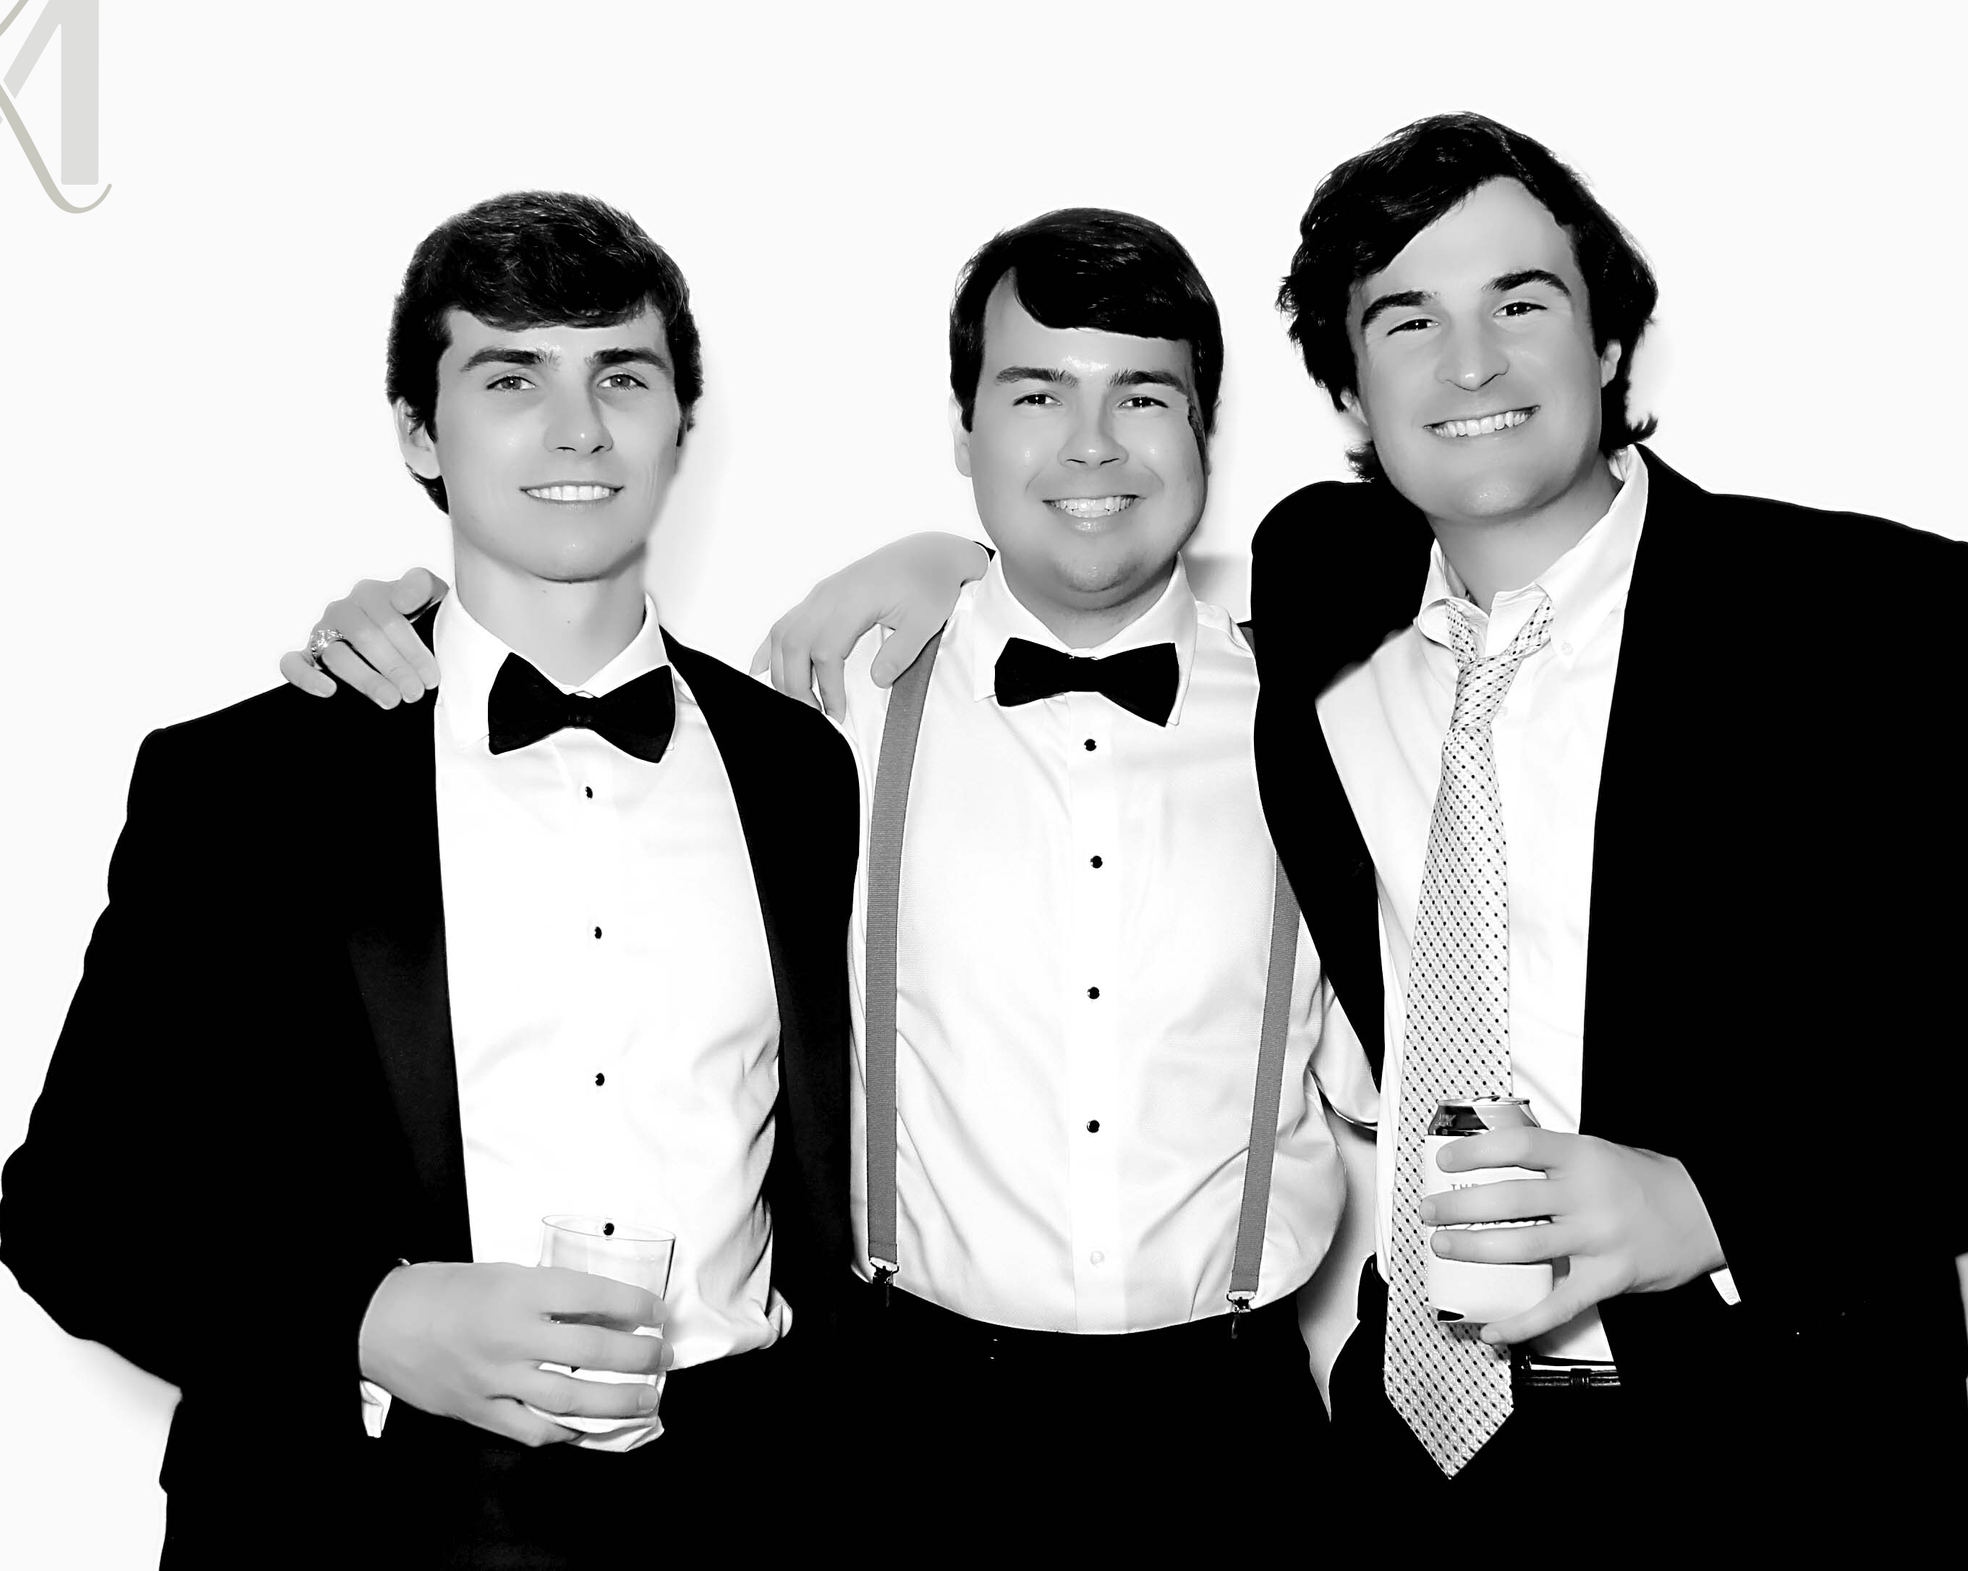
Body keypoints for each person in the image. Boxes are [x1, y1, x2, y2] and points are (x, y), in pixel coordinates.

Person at [571, 114, 1968, 1562]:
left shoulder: (1863, 619)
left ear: (1611, 334)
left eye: (1520, 303)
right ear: (1350, 390)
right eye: (1408, 320)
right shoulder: (1326, 610)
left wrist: (1710, 1203)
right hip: (1417, 1463)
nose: (1467, 364)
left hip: (1778, 1455)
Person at [287, 206, 1377, 1521]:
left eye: (1143, 396)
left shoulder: (1325, 725)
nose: (1092, 443)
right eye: (1037, 393)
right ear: (963, 434)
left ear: (1202, 434)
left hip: (1240, 1433)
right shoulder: (823, 720)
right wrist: (417, 638)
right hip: (906, 1430)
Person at [0, 192, 858, 1568]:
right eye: (510, 377)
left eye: (621, 377)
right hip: (359, 1518)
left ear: (680, 428)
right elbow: (71, 1211)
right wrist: (366, 1319)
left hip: (750, 1510)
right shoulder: (247, 780)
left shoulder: (805, 768)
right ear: (418, 430)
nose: (577, 428)